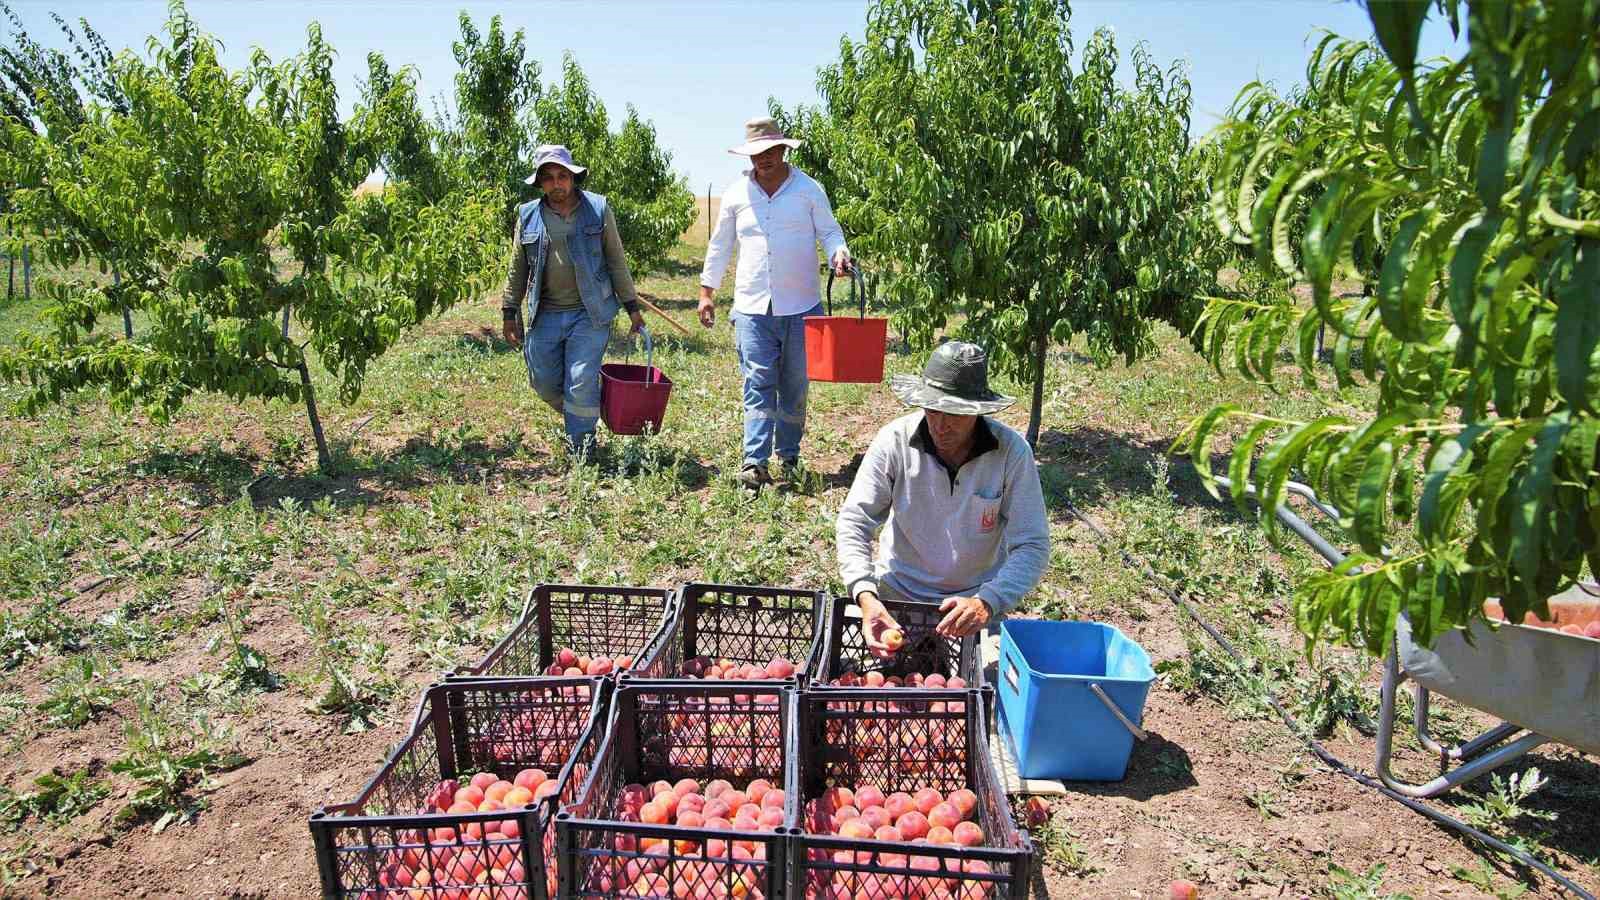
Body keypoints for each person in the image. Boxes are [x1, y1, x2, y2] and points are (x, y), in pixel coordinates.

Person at [836, 341, 1050, 647]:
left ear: (978, 411)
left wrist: (987, 601)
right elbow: (855, 521)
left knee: (993, 684)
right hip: (897, 595)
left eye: (954, 413)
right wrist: (865, 595)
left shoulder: (1011, 453)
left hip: (971, 604)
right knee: (852, 670)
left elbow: (1032, 543)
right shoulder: (894, 442)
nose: (940, 424)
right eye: (932, 409)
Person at [698, 117, 852, 491]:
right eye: (756, 153)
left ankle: (789, 454)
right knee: (758, 381)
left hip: (802, 305)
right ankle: (755, 461)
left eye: (770, 150)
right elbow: (720, 245)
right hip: (751, 306)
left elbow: (830, 231)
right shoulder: (736, 194)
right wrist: (707, 291)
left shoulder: (808, 190)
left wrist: (839, 253)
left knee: (795, 384)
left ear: (783, 149)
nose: (763, 158)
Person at [502, 144, 645, 456]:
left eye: (562, 176)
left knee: (580, 378)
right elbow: (517, 268)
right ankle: (586, 411)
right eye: (549, 178)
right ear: (540, 183)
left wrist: (632, 306)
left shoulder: (597, 209)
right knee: (542, 381)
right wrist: (509, 311)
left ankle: (582, 446)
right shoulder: (528, 216)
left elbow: (616, 260)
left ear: (573, 178)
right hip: (546, 313)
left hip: (590, 313)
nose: (557, 183)